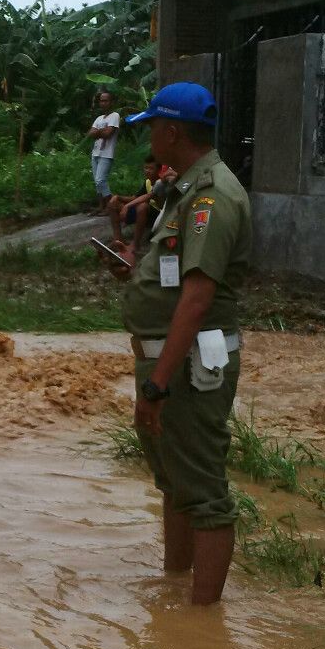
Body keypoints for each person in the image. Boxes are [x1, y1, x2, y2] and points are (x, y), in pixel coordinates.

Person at [102, 82, 252, 605]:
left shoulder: (211, 195)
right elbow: (174, 277)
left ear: (170, 130)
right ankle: (175, 589)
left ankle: (202, 620)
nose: (147, 138)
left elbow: (198, 295)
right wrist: (133, 269)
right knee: (175, 481)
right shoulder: (183, 191)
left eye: (151, 128)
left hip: (188, 364)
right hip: (169, 360)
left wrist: (160, 383)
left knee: (203, 491)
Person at [106, 154, 161, 247]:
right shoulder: (147, 181)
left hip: (158, 215)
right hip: (144, 213)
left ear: (159, 170)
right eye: (146, 168)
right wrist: (118, 197)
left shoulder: (161, 183)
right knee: (113, 203)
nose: (147, 171)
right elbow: (136, 197)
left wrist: (127, 206)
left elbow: (147, 197)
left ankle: (135, 245)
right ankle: (118, 239)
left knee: (142, 206)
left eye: (151, 168)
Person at [88, 90, 120, 216]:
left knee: (101, 180)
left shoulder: (115, 116)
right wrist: (101, 131)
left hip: (107, 153)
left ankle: (111, 205)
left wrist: (98, 132)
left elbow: (108, 134)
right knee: (97, 182)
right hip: (95, 153)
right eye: (101, 100)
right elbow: (91, 133)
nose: (103, 103)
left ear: (111, 102)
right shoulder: (99, 118)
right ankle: (101, 206)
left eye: (106, 100)